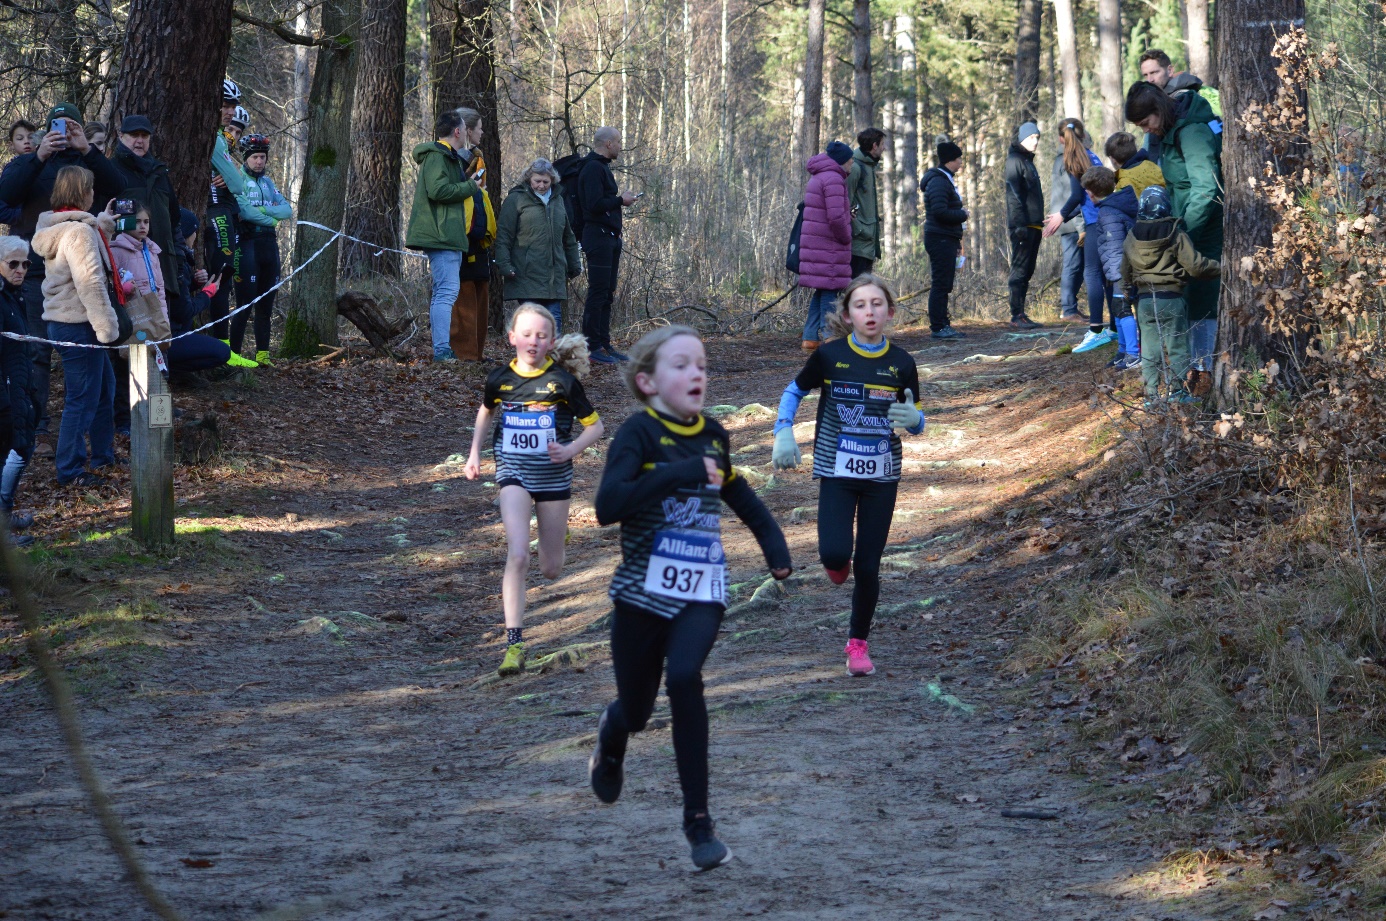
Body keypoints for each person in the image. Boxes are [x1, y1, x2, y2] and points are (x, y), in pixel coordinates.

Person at [588, 324, 791, 871]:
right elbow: (608, 506)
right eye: (681, 365)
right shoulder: (637, 433)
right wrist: (678, 473)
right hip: (640, 594)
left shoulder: (714, 435)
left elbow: (739, 494)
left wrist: (775, 546)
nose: (696, 373)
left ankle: (699, 823)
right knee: (636, 710)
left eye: (700, 364)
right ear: (648, 382)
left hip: (702, 588)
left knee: (684, 679)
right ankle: (613, 732)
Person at [771, 274, 923, 676]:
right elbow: (793, 391)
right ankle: (837, 563)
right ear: (848, 314)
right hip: (836, 469)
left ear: (890, 312)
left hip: (882, 475)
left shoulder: (902, 363)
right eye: (860, 305)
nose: (869, 312)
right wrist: (783, 429)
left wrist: (917, 421)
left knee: (869, 566)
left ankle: (858, 645)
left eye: (877, 304)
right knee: (836, 556)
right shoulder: (829, 355)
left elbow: (914, 415)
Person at [463, 304, 604, 676]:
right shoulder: (499, 379)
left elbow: (596, 427)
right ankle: (514, 645)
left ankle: (553, 531)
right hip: (514, 474)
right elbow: (485, 411)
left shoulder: (563, 382)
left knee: (551, 568)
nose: (532, 341)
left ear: (551, 342)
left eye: (541, 335)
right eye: (526, 334)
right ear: (511, 338)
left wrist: (570, 449)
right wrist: (474, 453)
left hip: (554, 478)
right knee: (518, 555)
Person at [0, 102, 128, 460]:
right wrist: (39, 155)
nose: (63, 131)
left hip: (78, 274)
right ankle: (40, 430)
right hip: (37, 269)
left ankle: (102, 451)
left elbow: (119, 185)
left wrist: (86, 148)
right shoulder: (32, 160)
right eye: (57, 125)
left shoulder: (87, 161)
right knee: (38, 351)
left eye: (70, 125)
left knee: (99, 378)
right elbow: (6, 194)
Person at [30, 166, 127, 487]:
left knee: (102, 391)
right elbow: (91, 283)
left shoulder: (64, 228)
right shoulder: (79, 233)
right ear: (81, 193)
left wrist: (104, 228)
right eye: (91, 188)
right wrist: (107, 328)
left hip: (67, 322)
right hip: (79, 323)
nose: (94, 193)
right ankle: (69, 469)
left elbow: (83, 256)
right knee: (81, 398)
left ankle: (102, 454)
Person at [1126, 81, 1223, 397]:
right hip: (1183, 235)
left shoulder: (1192, 131)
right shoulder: (1168, 133)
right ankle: (1197, 389)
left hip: (1202, 235)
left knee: (1203, 312)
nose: (1147, 131)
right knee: (1191, 311)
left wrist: (1183, 234)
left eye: (1146, 123)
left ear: (1159, 110)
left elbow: (1206, 190)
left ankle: (1203, 389)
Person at [1120, 186, 1221, 407]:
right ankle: (1177, 392)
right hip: (1172, 298)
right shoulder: (1175, 233)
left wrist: (1127, 294)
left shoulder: (1131, 235)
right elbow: (1195, 266)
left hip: (1145, 301)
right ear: (1166, 205)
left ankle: (1151, 396)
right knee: (1177, 347)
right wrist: (1222, 267)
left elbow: (1125, 272)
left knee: (1149, 348)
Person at [405, 108, 481, 362]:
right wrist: (471, 186)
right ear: (458, 131)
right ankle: (441, 350)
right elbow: (438, 191)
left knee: (444, 291)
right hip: (441, 235)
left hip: (447, 234)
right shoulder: (437, 157)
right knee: (446, 292)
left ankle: (442, 348)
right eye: (465, 129)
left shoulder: (447, 157)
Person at [494, 158, 582, 331]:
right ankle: (531, 357)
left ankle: (552, 358)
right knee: (532, 323)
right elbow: (504, 236)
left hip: (553, 275)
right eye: (537, 181)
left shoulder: (558, 201)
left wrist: (574, 264)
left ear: (553, 181)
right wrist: (505, 265)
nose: (541, 185)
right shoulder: (516, 200)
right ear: (529, 179)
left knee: (553, 322)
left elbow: (568, 237)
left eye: (545, 182)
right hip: (526, 273)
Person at [1045, 119, 1109, 351]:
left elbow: (1074, 195)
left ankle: (1096, 330)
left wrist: (1060, 216)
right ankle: (1113, 327)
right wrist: (1066, 216)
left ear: (1062, 139)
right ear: (1083, 136)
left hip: (1094, 223)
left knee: (1092, 274)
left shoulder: (1072, 160)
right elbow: (1082, 199)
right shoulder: (1092, 156)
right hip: (1106, 219)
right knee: (1107, 274)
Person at [206, 80, 257, 367]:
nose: (230, 112)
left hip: (222, 213)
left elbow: (235, 180)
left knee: (223, 279)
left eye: (233, 106)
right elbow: (238, 183)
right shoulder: (215, 138)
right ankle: (221, 352)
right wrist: (232, 173)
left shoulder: (220, 138)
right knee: (220, 279)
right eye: (225, 105)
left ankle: (223, 350)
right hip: (217, 214)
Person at [577, 127, 638, 364]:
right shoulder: (592, 167)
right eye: (620, 142)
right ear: (609, 144)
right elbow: (592, 204)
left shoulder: (601, 167)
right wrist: (620, 200)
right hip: (597, 236)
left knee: (607, 292)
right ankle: (590, 348)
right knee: (598, 292)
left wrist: (618, 202)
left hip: (609, 237)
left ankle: (604, 344)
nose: (622, 146)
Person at [233, 133, 291, 365]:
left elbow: (287, 211)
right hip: (248, 246)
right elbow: (245, 213)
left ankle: (263, 355)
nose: (259, 161)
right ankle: (234, 356)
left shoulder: (268, 183)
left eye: (262, 157)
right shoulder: (238, 180)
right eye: (255, 157)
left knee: (266, 305)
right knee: (245, 304)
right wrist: (270, 214)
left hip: (270, 247)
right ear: (246, 158)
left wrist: (263, 211)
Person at [797, 140, 855, 352]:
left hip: (818, 243)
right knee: (830, 289)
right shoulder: (833, 179)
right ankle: (829, 337)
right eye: (850, 161)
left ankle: (810, 338)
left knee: (822, 291)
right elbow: (836, 217)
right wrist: (847, 236)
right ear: (841, 161)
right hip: (828, 245)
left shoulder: (820, 175)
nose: (852, 165)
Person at [1081, 167, 1140, 370]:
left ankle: (1133, 353)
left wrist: (1116, 275)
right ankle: (1123, 351)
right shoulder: (1113, 207)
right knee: (1117, 310)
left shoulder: (1108, 212)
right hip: (1118, 271)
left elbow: (1115, 246)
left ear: (1091, 193)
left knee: (1123, 310)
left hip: (1121, 272)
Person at [450, 110, 495, 362]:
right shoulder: (451, 159)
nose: (482, 133)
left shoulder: (478, 159)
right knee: (463, 296)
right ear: (467, 130)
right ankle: (463, 355)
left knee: (480, 293)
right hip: (460, 236)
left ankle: (475, 354)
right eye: (478, 128)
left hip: (479, 237)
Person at [169, 208, 233, 378]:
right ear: (186, 234)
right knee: (222, 352)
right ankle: (170, 370)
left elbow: (174, 296)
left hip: (168, 332)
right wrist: (207, 294)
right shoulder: (177, 262)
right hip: (168, 337)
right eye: (194, 232)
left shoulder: (173, 258)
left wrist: (194, 284)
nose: (196, 237)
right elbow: (184, 311)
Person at [0, 236, 35, 543]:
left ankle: (4, 514)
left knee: (24, 447)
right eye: (13, 263)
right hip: (5, 396)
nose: (20, 269)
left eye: (25, 264)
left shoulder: (17, 296)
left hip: (19, 390)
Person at [919, 137, 968, 340]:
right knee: (940, 283)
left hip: (946, 238)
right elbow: (939, 211)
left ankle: (943, 324)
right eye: (958, 159)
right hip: (939, 238)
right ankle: (938, 327)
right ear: (950, 160)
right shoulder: (939, 181)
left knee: (945, 282)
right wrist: (963, 214)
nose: (961, 163)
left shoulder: (945, 179)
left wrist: (956, 242)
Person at [1003, 122, 1044, 330]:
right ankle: (1016, 314)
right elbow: (1013, 197)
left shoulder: (1028, 161)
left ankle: (1022, 313)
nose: (1035, 141)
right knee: (1019, 270)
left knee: (1027, 271)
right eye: (1031, 138)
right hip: (1022, 226)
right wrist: (1019, 225)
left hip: (1034, 226)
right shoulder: (1015, 161)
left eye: (1037, 137)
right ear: (1021, 139)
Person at [1047, 123, 1086, 322]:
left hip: (1068, 218)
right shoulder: (1068, 159)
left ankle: (1071, 307)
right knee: (1072, 265)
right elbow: (1073, 195)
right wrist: (1081, 226)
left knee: (1078, 265)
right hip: (1070, 221)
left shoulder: (1063, 158)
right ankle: (1068, 310)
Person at [848, 127, 885, 277]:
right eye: (882, 144)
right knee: (855, 290)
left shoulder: (869, 165)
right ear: (874, 146)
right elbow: (845, 202)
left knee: (862, 289)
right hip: (857, 243)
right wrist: (859, 229)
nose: (884, 148)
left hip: (867, 242)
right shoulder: (855, 168)